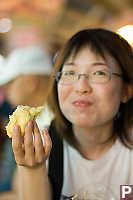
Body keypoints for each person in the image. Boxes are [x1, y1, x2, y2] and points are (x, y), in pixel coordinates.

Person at [11, 28, 133, 200]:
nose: (81, 86)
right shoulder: (40, 146)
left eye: (99, 73)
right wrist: (33, 169)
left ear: (126, 90)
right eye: (69, 73)